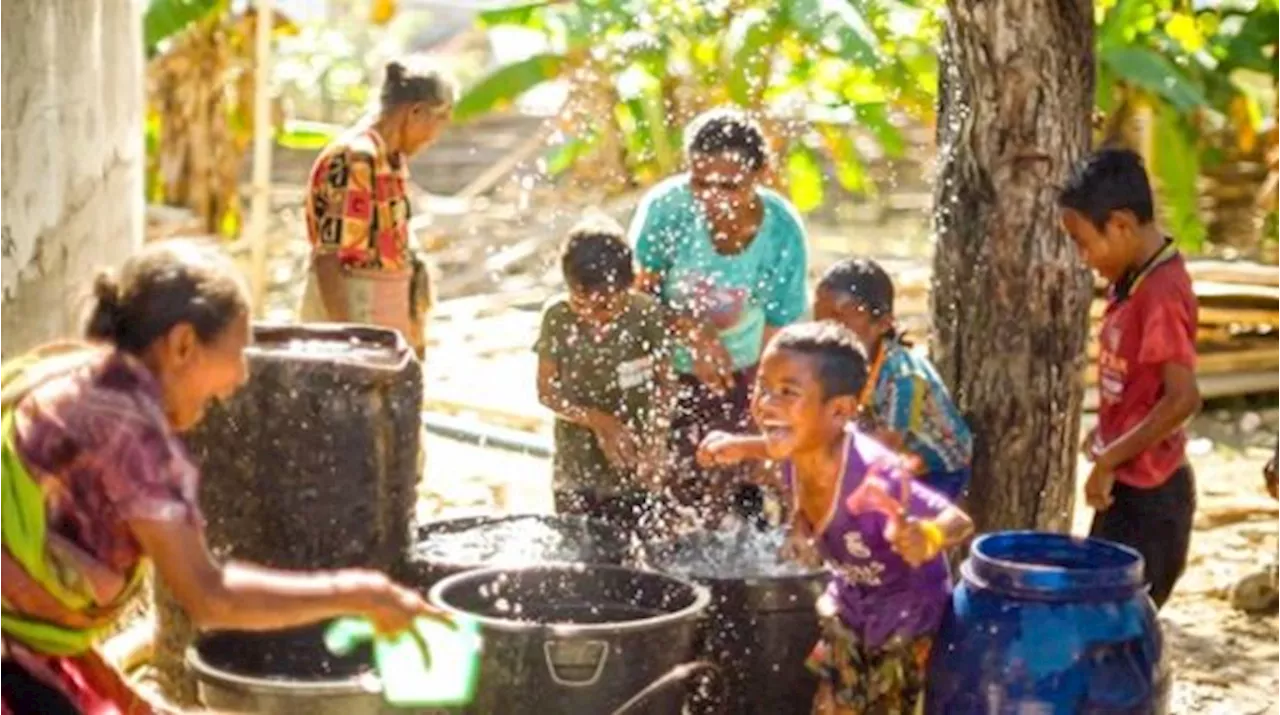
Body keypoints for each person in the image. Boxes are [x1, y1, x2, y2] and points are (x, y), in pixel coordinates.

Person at [0, 241, 446, 715]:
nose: (237, 381)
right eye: (235, 351)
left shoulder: (74, 374)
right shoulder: (130, 435)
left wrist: (134, 702)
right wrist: (363, 593)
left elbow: (30, 612)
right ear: (183, 345)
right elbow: (208, 596)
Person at [699, 323, 973, 713]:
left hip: (906, 616)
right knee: (830, 704)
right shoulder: (799, 442)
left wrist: (926, 536)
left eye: (788, 392)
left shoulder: (874, 474)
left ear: (840, 411)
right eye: (763, 387)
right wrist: (739, 448)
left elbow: (958, 521)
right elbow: (780, 450)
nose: (766, 403)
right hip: (852, 599)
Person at [627, 107, 808, 525]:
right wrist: (691, 330)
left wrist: (763, 415)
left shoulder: (781, 231)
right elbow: (637, 297)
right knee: (670, 494)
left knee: (738, 491)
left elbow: (778, 333)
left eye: (730, 185)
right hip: (665, 368)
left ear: (761, 173)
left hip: (746, 369)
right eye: (700, 182)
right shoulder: (667, 209)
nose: (713, 197)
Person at [1060, 147, 1202, 610]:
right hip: (1127, 482)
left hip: (1153, 497)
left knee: (1117, 624)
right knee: (1098, 616)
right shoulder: (1132, 278)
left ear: (1120, 225)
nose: (1083, 258)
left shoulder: (1161, 292)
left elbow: (1182, 400)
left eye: (1084, 242)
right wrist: (1106, 437)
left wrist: (1108, 459)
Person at [300, 59, 455, 356]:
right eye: (441, 121)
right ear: (416, 112)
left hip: (378, 319)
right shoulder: (357, 158)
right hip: (353, 322)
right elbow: (328, 260)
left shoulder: (391, 160)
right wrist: (349, 344)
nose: (435, 138)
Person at [535, 216, 673, 540]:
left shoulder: (646, 314)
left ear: (632, 283)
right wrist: (599, 421)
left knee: (633, 549)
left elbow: (666, 382)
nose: (595, 319)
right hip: (576, 465)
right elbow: (546, 392)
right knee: (577, 549)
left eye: (609, 307)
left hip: (633, 461)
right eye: (582, 304)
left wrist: (656, 437)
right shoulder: (557, 317)